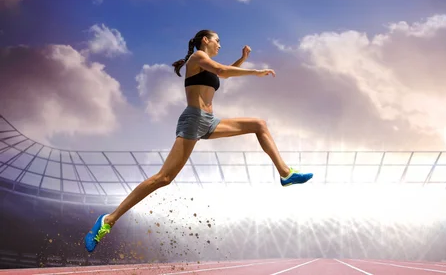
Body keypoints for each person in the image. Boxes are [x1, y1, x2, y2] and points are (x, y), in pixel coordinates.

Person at [84, 29, 313, 253]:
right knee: (163, 178)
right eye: (217, 41)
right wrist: (256, 71)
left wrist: (242, 60)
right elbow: (221, 69)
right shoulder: (197, 57)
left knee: (259, 124)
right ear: (206, 40)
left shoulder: (206, 64)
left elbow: (223, 73)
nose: (220, 45)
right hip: (193, 121)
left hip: (209, 121)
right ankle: (108, 220)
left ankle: (285, 174)